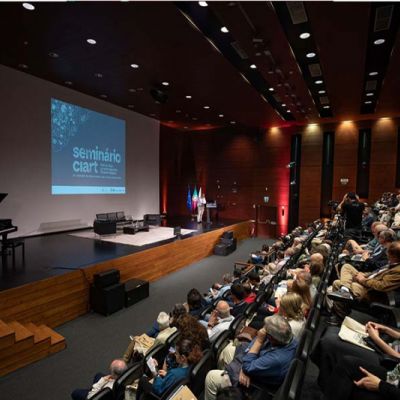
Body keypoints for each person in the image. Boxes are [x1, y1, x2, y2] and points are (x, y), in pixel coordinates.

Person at [204, 315, 297, 400]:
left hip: (255, 383)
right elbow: (253, 343)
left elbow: (257, 342)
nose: (262, 331)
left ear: (271, 338)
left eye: (265, 330)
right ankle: (226, 389)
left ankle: (228, 386)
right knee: (228, 350)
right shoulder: (288, 338)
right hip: (254, 364)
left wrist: (259, 341)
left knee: (211, 377)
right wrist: (245, 367)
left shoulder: (277, 359)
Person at [136, 339, 203, 399]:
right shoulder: (193, 365)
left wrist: (155, 372)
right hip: (177, 388)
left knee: (143, 379)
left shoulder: (174, 373)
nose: (175, 355)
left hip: (162, 394)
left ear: (182, 358)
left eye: (176, 354)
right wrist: (167, 375)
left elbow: (158, 389)